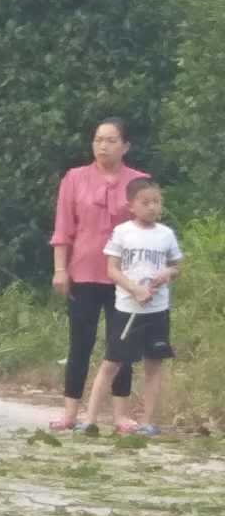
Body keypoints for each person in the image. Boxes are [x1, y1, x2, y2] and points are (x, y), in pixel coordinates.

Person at [50, 118, 149, 433]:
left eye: (111, 140)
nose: (103, 145)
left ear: (126, 146)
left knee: (121, 345)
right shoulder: (75, 178)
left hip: (125, 276)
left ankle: (120, 414)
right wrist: (60, 269)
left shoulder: (139, 181)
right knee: (80, 341)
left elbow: (148, 226)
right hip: (84, 269)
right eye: (98, 139)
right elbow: (63, 228)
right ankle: (70, 411)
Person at [83, 178, 182, 436]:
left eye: (156, 202)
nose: (152, 207)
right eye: (145, 202)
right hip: (127, 308)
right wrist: (135, 289)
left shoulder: (166, 235)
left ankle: (147, 421)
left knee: (154, 363)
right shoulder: (122, 232)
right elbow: (112, 270)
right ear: (131, 205)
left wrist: (168, 274)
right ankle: (90, 419)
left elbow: (176, 266)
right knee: (112, 363)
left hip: (157, 310)